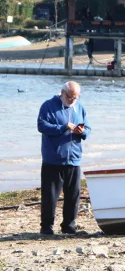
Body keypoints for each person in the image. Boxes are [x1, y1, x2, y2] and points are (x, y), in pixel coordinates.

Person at [37, 81, 90, 235]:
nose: (72, 101)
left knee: (73, 195)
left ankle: (69, 226)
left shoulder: (80, 107)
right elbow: (41, 125)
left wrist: (82, 131)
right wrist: (63, 127)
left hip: (73, 159)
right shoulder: (48, 106)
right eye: (70, 97)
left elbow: (88, 128)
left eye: (75, 98)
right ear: (62, 92)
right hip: (53, 159)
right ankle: (46, 227)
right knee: (50, 195)